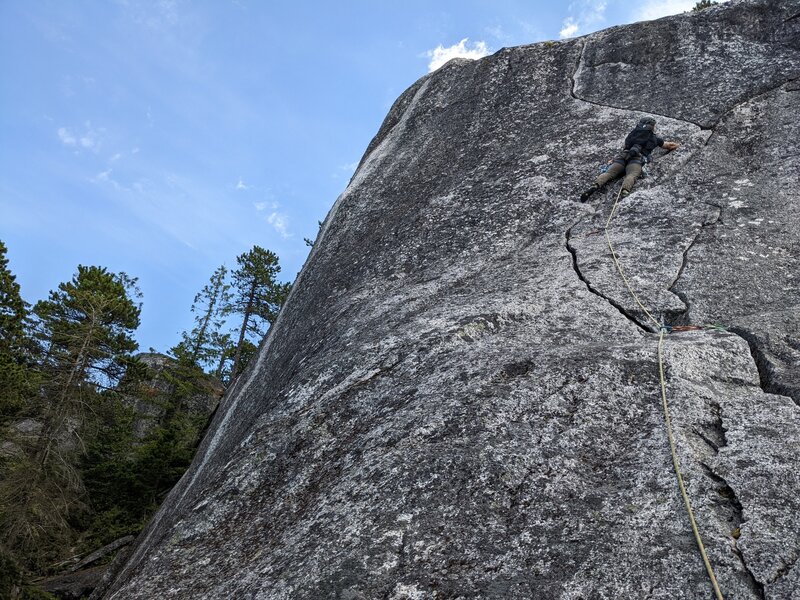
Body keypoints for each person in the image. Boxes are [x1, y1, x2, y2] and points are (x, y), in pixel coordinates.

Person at [580, 116, 680, 202]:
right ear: (652, 127)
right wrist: (679, 145)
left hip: (622, 157)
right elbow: (669, 145)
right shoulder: (655, 139)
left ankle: (595, 185)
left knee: (609, 173)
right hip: (636, 160)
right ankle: (625, 190)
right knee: (632, 175)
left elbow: (625, 147)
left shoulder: (632, 135)